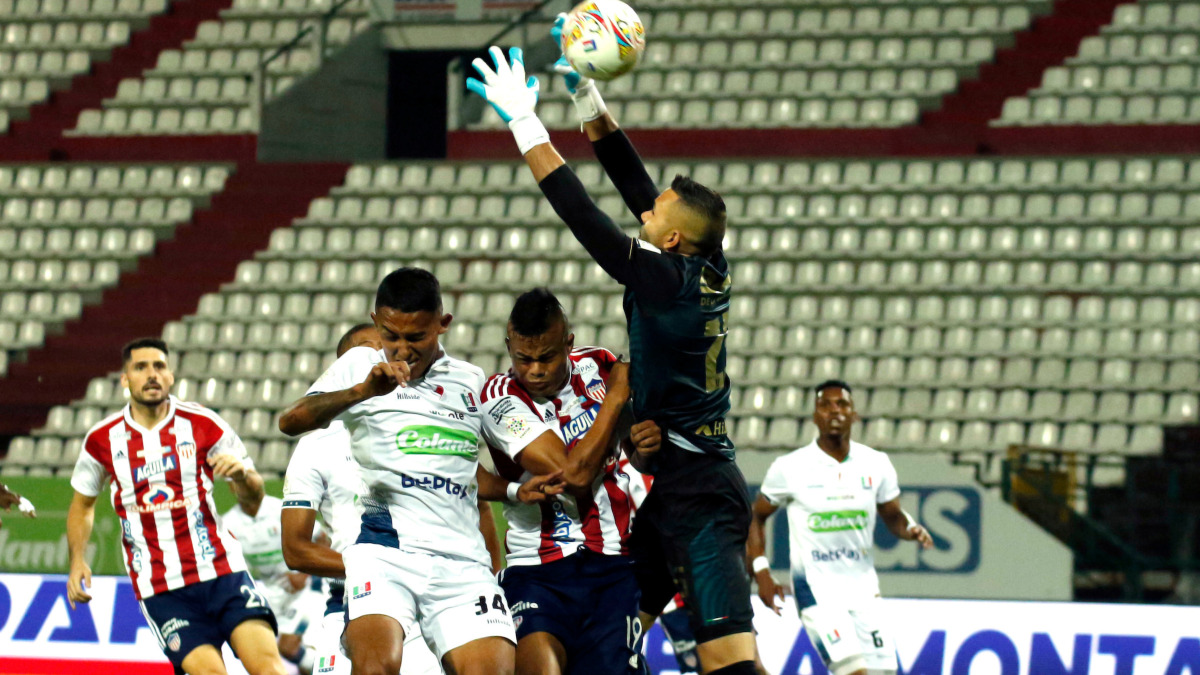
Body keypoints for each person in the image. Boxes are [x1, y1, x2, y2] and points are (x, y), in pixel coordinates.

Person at [467, 36, 756, 675]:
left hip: (699, 490)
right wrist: (585, 96)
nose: (645, 210)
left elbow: (581, 213)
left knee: (728, 662)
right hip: (663, 485)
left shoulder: (662, 282)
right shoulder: (702, 260)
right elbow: (635, 182)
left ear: (671, 237)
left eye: (655, 214)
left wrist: (523, 121)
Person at [278, 267, 517, 675]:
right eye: (391, 336)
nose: (402, 349)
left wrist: (515, 491)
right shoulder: (359, 366)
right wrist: (363, 391)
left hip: (461, 564)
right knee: (375, 669)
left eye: (416, 337)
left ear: (443, 325)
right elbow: (291, 421)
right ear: (376, 323)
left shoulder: (471, 381)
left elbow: (468, 473)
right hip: (384, 555)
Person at [66, 337, 285, 675]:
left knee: (269, 669)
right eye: (140, 367)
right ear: (125, 379)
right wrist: (77, 560)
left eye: (159, 366)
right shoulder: (102, 438)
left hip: (222, 571)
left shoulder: (203, 424)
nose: (151, 374)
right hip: (160, 588)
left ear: (170, 376)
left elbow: (254, 497)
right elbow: (82, 504)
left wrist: (242, 476)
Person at [477, 288, 661, 675]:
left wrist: (647, 444)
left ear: (568, 343)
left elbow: (634, 452)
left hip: (613, 565)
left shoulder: (600, 365)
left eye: (546, 357)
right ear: (509, 347)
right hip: (538, 571)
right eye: (523, 358)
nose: (535, 370)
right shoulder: (499, 399)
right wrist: (614, 400)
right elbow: (573, 476)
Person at [747, 381, 934, 675]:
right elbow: (755, 518)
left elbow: (894, 516)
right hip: (818, 593)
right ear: (815, 416)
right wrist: (761, 572)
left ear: (854, 415)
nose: (835, 411)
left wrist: (911, 528)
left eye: (842, 404)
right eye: (826, 405)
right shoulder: (790, 467)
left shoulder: (876, 464)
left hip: (864, 591)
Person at [223, 488, 327, 674]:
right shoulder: (228, 523)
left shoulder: (281, 509)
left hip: (308, 587)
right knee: (299, 655)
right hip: (274, 593)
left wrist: (303, 573)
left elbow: (323, 539)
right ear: (232, 489)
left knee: (289, 647)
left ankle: (338, 670)